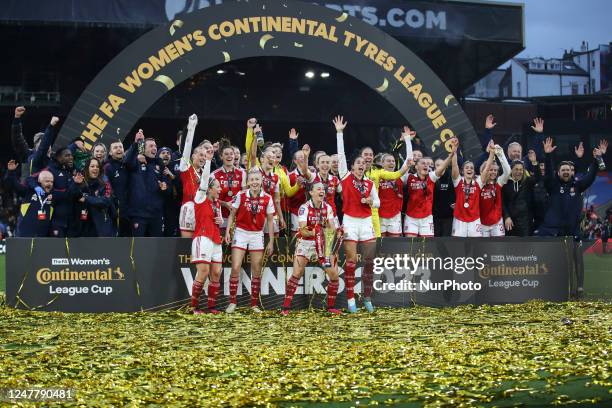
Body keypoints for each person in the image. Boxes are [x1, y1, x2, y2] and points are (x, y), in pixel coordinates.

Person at [536, 138, 605, 296]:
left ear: (571, 172)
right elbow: (547, 178)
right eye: (563, 170)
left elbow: (590, 177)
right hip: (556, 231)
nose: (566, 172)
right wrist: (547, 156)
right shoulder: (553, 186)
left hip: (574, 229)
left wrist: (596, 160)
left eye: (568, 169)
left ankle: (579, 287)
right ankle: (557, 287)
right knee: (557, 261)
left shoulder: (578, 185)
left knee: (577, 259)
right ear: (558, 173)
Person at [334, 115, 380, 313]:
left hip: (367, 222)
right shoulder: (345, 176)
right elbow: (341, 153)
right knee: (351, 261)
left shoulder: (370, 183)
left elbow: (377, 203)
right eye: (358, 162)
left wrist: (371, 201)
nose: (361, 164)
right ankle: (351, 299)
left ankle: (367, 297)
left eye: (364, 163)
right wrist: (339, 132)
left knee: (369, 262)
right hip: (351, 222)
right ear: (352, 166)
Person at [281, 182, 342, 315]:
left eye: (323, 189)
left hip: (323, 244)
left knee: (334, 275)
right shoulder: (304, 208)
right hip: (306, 243)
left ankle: (330, 307)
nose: (322, 191)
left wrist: (336, 232)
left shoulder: (328, 207)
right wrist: (317, 232)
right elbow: (303, 230)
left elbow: (331, 228)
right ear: (311, 192)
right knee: (297, 274)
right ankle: (285, 307)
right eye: (318, 189)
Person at [224, 168, 275, 313]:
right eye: (252, 180)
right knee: (235, 267)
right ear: (248, 182)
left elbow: (270, 221)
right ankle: (232, 302)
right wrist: (228, 231)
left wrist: (271, 241)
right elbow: (232, 214)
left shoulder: (267, 198)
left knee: (257, 269)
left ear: (261, 181)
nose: (254, 182)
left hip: (257, 234)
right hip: (240, 232)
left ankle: (253, 304)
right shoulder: (241, 195)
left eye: (257, 179)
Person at [403, 136, 457, 237]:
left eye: (427, 164)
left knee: (427, 247)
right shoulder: (409, 178)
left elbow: (441, 168)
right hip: (411, 218)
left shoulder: (431, 177)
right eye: (423, 163)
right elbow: (405, 164)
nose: (426, 165)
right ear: (416, 167)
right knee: (410, 244)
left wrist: (451, 156)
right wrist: (407, 140)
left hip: (426, 218)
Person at [190, 159, 224, 314]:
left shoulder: (217, 203)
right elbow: (203, 180)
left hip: (216, 239)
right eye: (217, 186)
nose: (220, 189)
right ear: (209, 188)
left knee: (216, 273)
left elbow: (219, 220)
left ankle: (211, 307)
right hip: (202, 238)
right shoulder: (200, 197)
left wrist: (221, 220)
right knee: (203, 272)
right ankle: (194, 307)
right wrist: (209, 160)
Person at [125, 130, 170, 237]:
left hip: (156, 215)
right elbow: (127, 162)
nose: (154, 148)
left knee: (156, 248)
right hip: (138, 214)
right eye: (150, 146)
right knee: (137, 247)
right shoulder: (136, 161)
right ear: (143, 149)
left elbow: (167, 186)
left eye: (155, 146)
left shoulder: (160, 164)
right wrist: (136, 143)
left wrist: (165, 187)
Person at [450, 140, 496, 237]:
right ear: (462, 171)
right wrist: (454, 150)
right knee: (458, 246)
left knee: (475, 246)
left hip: (474, 220)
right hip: (459, 219)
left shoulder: (478, 182)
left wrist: (491, 153)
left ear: (474, 171)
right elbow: (454, 165)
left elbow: (487, 168)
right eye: (467, 168)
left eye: (471, 168)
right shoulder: (458, 181)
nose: (469, 169)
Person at [5, 160, 54, 237]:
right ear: (40, 181)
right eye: (47, 181)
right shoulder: (29, 191)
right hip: (25, 234)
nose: (50, 184)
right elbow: (14, 185)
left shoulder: (53, 195)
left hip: (43, 236)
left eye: (52, 182)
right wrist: (11, 172)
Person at [72, 158, 116, 237]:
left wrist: (86, 198)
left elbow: (106, 201)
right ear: (87, 168)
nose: (95, 168)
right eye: (92, 166)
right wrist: (75, 184)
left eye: (97, 166)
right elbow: (71, 196)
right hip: (82, 226)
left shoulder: (105, 182)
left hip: (101, 225)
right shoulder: (79, 181)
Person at [178, 115, 204, 238]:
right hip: (189, 209)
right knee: (186, 247)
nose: (203, 158)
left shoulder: (206, 173)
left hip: (203, 210)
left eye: (205, 156)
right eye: (200, 155)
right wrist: (191, 128)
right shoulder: (186, 168)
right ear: (193, 156)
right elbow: (187, 148)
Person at [211, 145, 246, 234]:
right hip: (221, 217)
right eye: (226, 154)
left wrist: (236, 204)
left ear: (235, 156)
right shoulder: (214, 175)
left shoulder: (242, 173)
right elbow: (210, 198)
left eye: (231, 154)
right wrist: (225, 204)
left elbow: (245, 194)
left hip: (238, 217)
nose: (229, 156)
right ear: (221, 157)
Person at [479, 145, 511, 237]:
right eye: (490, 170)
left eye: (495, 170)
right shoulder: (478, 183)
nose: (493, 172)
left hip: (497, 222)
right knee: (482, 248)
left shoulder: (498, 183)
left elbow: (508, 171)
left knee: (498, 248)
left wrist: (500, 154)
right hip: (481, 222)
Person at [502, 159, 540, 237]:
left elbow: (537, 177)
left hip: (525, 222)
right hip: (510, 222)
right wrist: (506, 217)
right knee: (510, 246)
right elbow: (503, 203)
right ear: (511, 170)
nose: (519, 172)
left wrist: (534, 163)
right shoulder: (505, 184)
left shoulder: (527, 182)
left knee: (524, 246)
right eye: (516, 169)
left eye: (521, 170)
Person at [432, 157, 456, 237]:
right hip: (434, 217)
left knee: (446, 240)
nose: (440, 167)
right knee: (435, 240)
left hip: (448, 217)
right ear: (434, 167)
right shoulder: (431, 178)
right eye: (437, 165)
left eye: (442, 165)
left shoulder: (451, 178)